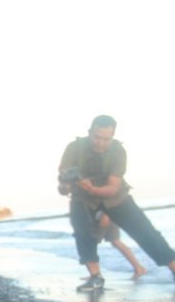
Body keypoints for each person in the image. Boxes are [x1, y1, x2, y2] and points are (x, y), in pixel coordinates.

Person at [58, 115, 175, 292]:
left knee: (146, 232)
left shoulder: (118, 151)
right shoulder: (74, 148)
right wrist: (66, 185)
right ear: (90, 132)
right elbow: (63, 184)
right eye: (97, 137)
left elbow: (112, 188)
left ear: (113, 136)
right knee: (82, 232)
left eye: (106, 139)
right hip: (82, 198)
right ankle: (95, 277)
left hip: (116, 197)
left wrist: (90, 187)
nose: (101, 143)